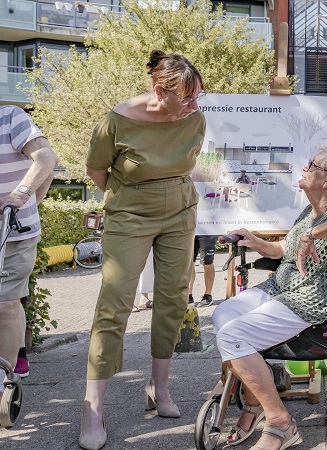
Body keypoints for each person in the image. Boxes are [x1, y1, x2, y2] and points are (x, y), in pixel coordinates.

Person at [79, 50, 206, 450]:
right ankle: (92, 409)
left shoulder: (194, 119)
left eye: (197, 96)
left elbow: (190, 163)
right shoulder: (116, 121)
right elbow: (96, 171)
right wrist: (128, 200)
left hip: (180, 211)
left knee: (172, 297)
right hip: (129, 213)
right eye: (186, 98)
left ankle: (160, 387)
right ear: (158, 91)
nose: (194, 106)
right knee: (115, 301)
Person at [211, 141, 327, 449]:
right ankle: (254, 403)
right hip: (280, 287)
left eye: (312, 166)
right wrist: (255, 241)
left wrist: (314, 234)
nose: (305, 169)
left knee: (231, 337)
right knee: (222, 315)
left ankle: (280, 422)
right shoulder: (309, 209)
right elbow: (285, 250)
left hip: (311, 298)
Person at [0, 106, 58, 384]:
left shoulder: (10, 117)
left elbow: (46, 158)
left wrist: (23, 196)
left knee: (6, 303)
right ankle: (18, 349)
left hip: (13, 233)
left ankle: (4, 381)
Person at [190, 234, 219, 307]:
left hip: (208, 231)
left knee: (207, 263)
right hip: (190, 228)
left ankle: (207, 295)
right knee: (188, 263)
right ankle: (188, 296)